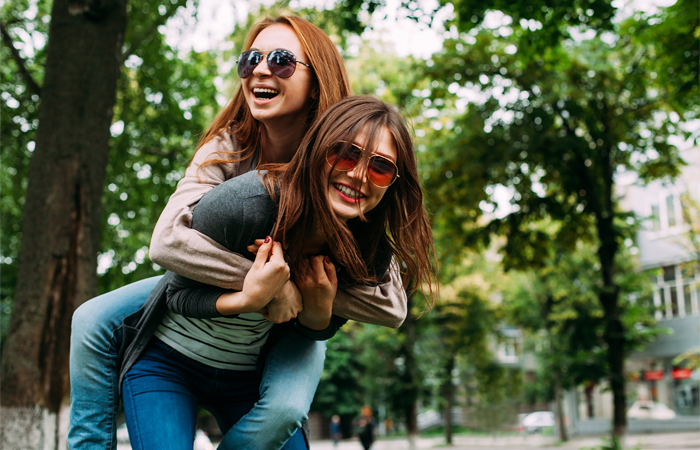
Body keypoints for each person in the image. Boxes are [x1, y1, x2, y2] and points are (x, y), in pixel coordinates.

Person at [68, 15, 409, 450]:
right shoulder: (228, 147)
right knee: (92, 319)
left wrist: (303, 297)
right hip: (211, 275)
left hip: (290, 313)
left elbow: (389, 300)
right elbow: (170, 240)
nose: (261, 70)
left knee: (284, 409)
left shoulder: (344, 155)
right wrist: (261, 287)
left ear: (317, 78)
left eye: (282, 61)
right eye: (250, 60)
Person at [119, 95, 438, 450]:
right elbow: (176, 295)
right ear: (317, 148)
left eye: (380, 167)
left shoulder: (367, 249)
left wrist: (317, 314)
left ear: (393, 182)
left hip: (247, 377)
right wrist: (250, 296)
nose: (359, 174)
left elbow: (314, 325)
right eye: (345, 153)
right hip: (167, 363)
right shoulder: (244, 205)